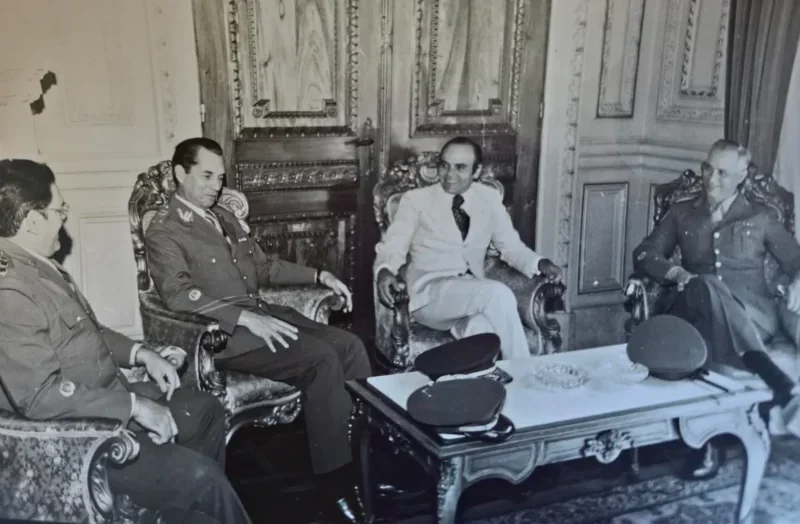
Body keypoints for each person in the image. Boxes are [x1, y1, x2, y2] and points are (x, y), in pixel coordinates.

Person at [0, 159, 251, 524]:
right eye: (59, 211)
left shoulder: (37, 264)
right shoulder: (10, 289)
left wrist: (142, 354)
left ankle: (176, 511)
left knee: (205, 410)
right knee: (206, 481)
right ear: (33, 221)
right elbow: (40, 397)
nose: (65, 220)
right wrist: (134, 406)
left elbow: (88, 330)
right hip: (83, 436)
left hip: (107, 400)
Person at [144, 137, 371, 524]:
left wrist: (319, 274)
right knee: (320, 360)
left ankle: (364, 459)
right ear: (180, 173)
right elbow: (178, 295)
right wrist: (243, 318)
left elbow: (264, 268)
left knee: (350, 346)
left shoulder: (224, 217)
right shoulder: (165, 230)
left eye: (220, 177)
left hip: (263, 317)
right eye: (206, 176)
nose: (216, 185)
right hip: (223, 335)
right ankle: (335, 487)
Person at [633, 139, 800, 478]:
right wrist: (676, 273)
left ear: (742, 176)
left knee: (714, 322)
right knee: (707, 284)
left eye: (723, 173)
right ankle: (774, 382)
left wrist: (798, 280)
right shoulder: (681, 212)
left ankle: (708, 443)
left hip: (753, 317)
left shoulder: (761, 217)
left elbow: (796, 258)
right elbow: (645, 253)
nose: (711, 179)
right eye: (708, 168)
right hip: (694, 309)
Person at [374, 136, 562, 359]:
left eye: (460, 167)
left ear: (477, 171)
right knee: (497, 293)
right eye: (444, 165)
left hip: (470, 296)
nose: (449, 175)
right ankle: (525, 372)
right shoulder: (415, 200)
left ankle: (489, 380)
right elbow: (394, 245)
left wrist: (539, 263)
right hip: (429, 296)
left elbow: (510, 247)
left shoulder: (488, 198)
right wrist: (385, 269)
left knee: (482, 331)